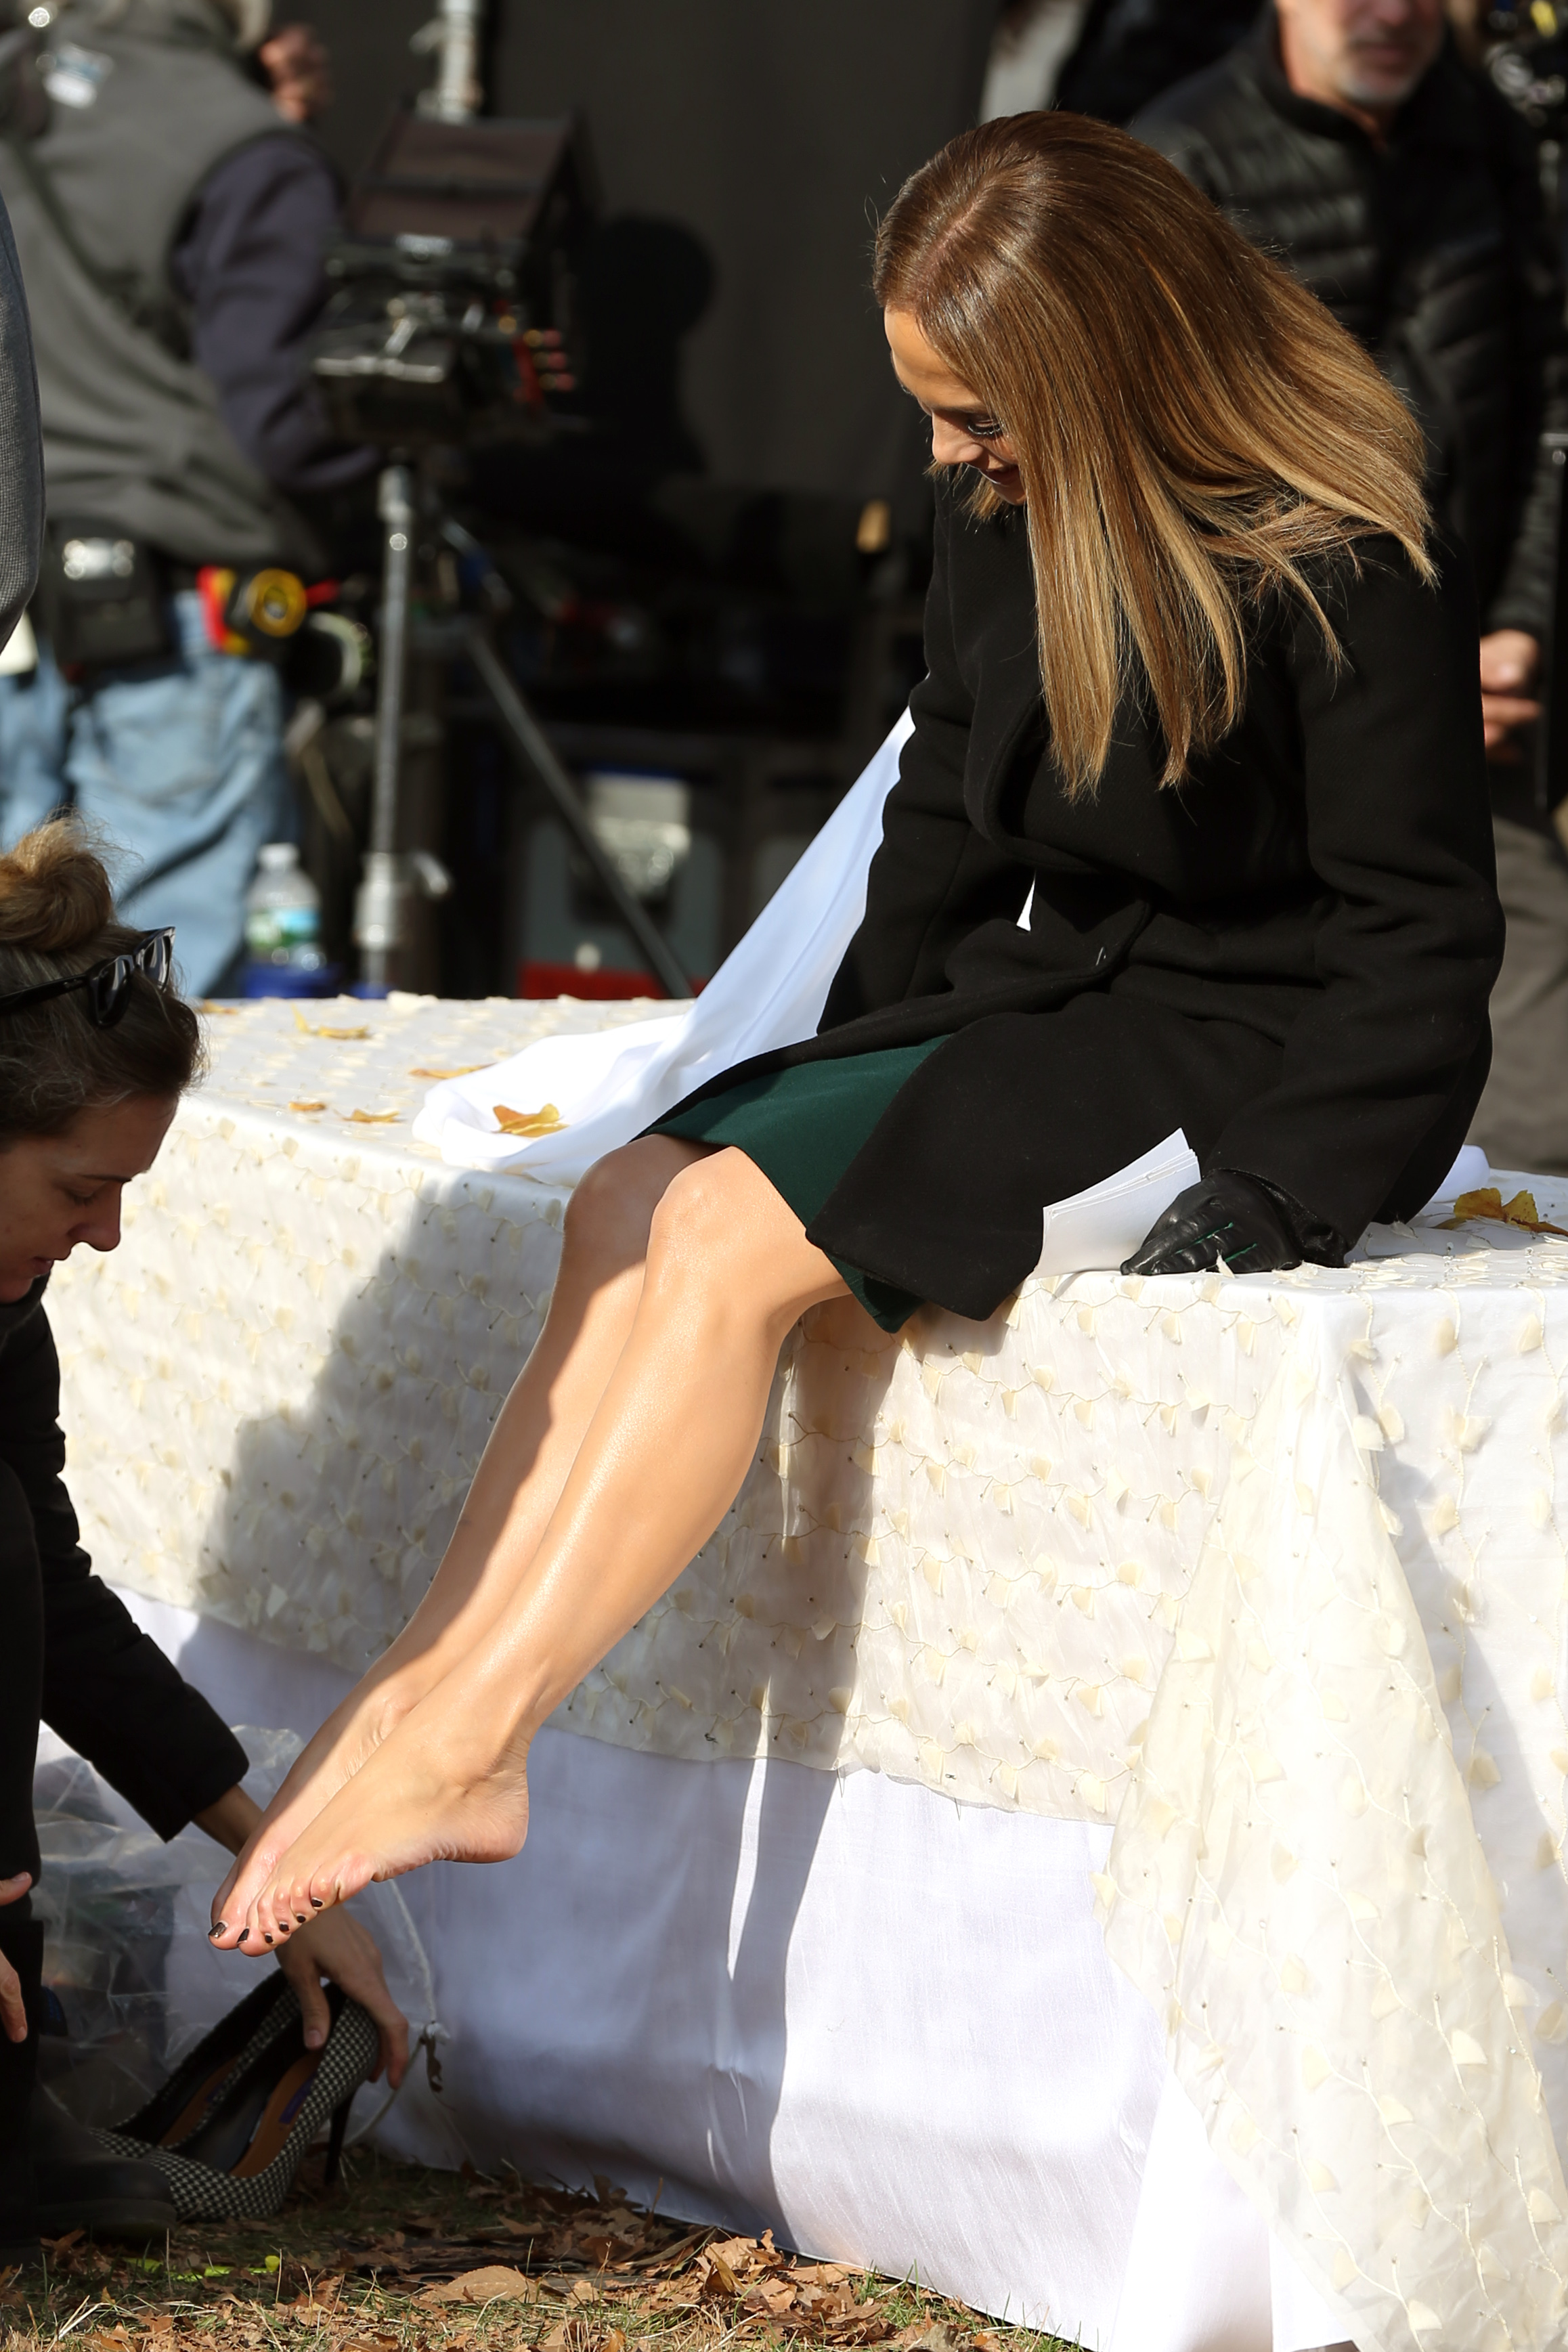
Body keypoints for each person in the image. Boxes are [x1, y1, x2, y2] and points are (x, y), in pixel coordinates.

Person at [200, 111, 1502, 1948]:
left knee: (725, 1241)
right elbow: (946, 815)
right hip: (1068, 1001)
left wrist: (1284, 1189)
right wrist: (846, 1074)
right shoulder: (1007, 509)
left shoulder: (1336, 556)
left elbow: (1417, 940)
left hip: (1247, 1054)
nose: (946, 457)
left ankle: (479, 1741)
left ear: (1107, 369)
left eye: (976, 417)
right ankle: (418, 1690)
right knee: (634, 1198)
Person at [0, 821, 406, 2262]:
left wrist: (272, 1863)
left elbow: (54, 1609)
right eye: (79, 1190)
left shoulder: (7, 1319)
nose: (107, 1235)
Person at [1131, 0, 1568, 1172]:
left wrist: (1519, 625)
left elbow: (1548, 400)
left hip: (1482, 693)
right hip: (1269, 716)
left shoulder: (1491, 137)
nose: (1393, 13)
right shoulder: (1184, 155)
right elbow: (1163, 463)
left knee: (1537, 1119)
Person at [0, 0, 369, 997]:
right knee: (144, 987)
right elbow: (283, 423)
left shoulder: (20, 77)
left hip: (15, 583)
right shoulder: (245, 149)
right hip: (172, 607)